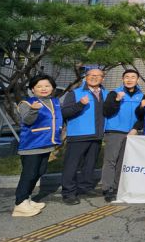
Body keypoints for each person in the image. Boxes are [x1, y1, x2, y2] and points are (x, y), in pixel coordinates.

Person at [13, 75, 63, 216]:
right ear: (33, 89)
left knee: (39, 172)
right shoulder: (26, 103)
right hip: (32, 145)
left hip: (46, 144)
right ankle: (20, 203)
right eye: (39, 86)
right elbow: (27, 121)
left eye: (47, 86)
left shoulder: (54, 101)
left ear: (52, 88)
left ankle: (27, 198)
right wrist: (34, 109)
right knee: (29, 174)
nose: (43, 89)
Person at [61, 68, 108, 205]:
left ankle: (85, 187)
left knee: (90, 164)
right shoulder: (75, 93)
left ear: (102, 78)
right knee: (72, 165)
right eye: (91, 75)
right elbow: (65, 113)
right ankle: (68, 192)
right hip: (78, 135)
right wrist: (80, 104)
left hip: (97, 135)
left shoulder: (105, 93)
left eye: (98, 75)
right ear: (85, 77)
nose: (94, 77)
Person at [101, 69, 144, 202]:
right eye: (127, 77)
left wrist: (136, 128)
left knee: (122, 162)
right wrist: (117, 100)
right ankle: (107, 189)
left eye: (133, 77)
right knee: (110, 161)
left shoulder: (142, 96)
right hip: (115, 131)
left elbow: (142, 116)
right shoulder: (114, 93)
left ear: (137, 80)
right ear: (122, 79)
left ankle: (117, 187)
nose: (129, 79)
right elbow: (106, 111)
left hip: (131, 133)